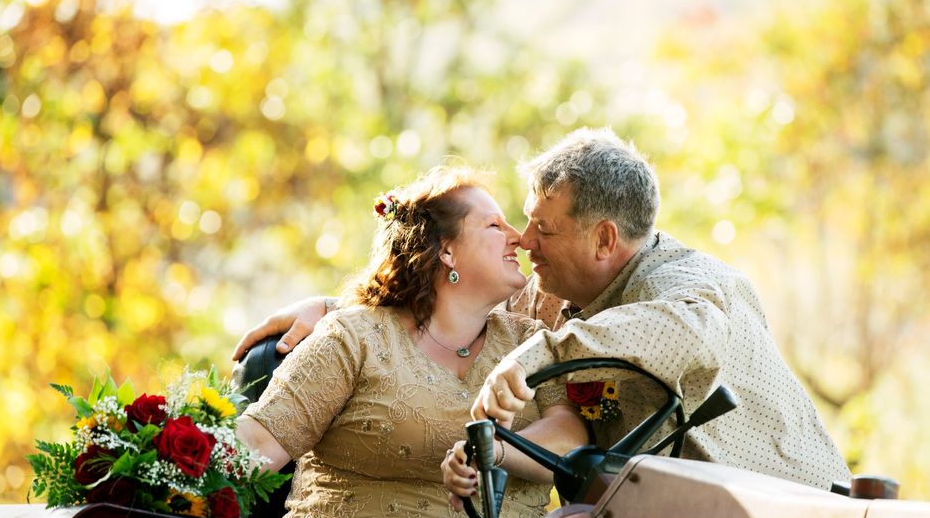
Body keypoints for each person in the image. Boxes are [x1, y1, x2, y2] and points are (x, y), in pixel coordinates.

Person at [233, 128, 851, 494]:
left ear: (604, 239)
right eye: (517, 223)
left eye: (541, 228)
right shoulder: (555, 290)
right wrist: (332, 306)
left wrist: (544, 355)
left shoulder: (698, 287)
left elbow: (683, 334)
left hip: (791, 513)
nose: (524, 241)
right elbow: (448, 301)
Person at [236, 166, 588, 518]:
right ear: (446, 251)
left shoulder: (529, 340)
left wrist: (492, 450)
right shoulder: (356, 336)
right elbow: (258, 444)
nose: (518, 238)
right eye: (494, 226)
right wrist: (173, 465)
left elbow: (569, 441)